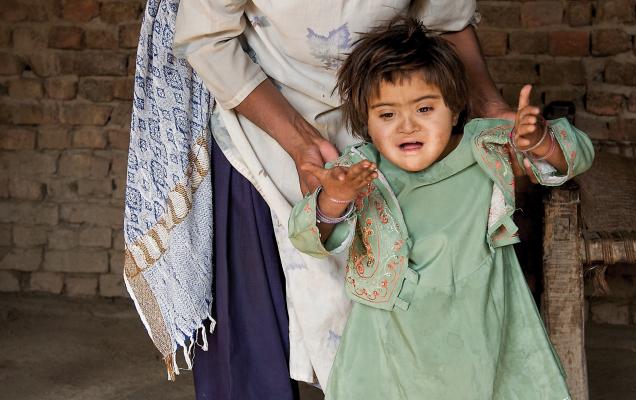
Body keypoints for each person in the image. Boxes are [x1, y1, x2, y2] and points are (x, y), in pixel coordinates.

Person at [172, 1, 521, 398]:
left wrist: (491, 107)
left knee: (395, 313)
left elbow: (446, 21)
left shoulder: (405, 135)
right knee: (255, 331)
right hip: (262, 114)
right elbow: (206, 39)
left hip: (381, 116)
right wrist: (298, 141)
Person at [288, 18, 594, 399]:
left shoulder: (486, 149)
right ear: (364, 121)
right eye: (387, 115)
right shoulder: (358, 173)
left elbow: (577, 156)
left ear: (454, 108)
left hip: (480, 325)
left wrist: (541, 142)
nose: (406, 126)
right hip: (390, 343)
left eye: (425, 108)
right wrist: (334, 199)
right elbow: (306, 236)